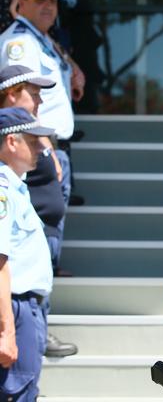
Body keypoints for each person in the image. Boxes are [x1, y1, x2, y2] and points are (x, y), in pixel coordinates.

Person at [0, 65, 77, 358]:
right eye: (33, 94)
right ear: (10, 95)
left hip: (37, 232)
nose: (39, 101)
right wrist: (8, 331)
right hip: (18, 246)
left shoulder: (26, 134)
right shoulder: (7, 158)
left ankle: (34, 334)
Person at [0, 106, 54, 401]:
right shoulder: (3, 189)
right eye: (32, 141)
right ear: (11, 142)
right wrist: (7, 331)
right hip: (15, 309)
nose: (39, 149)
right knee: (17, 393)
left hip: (25, 309)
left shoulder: (16, 188)